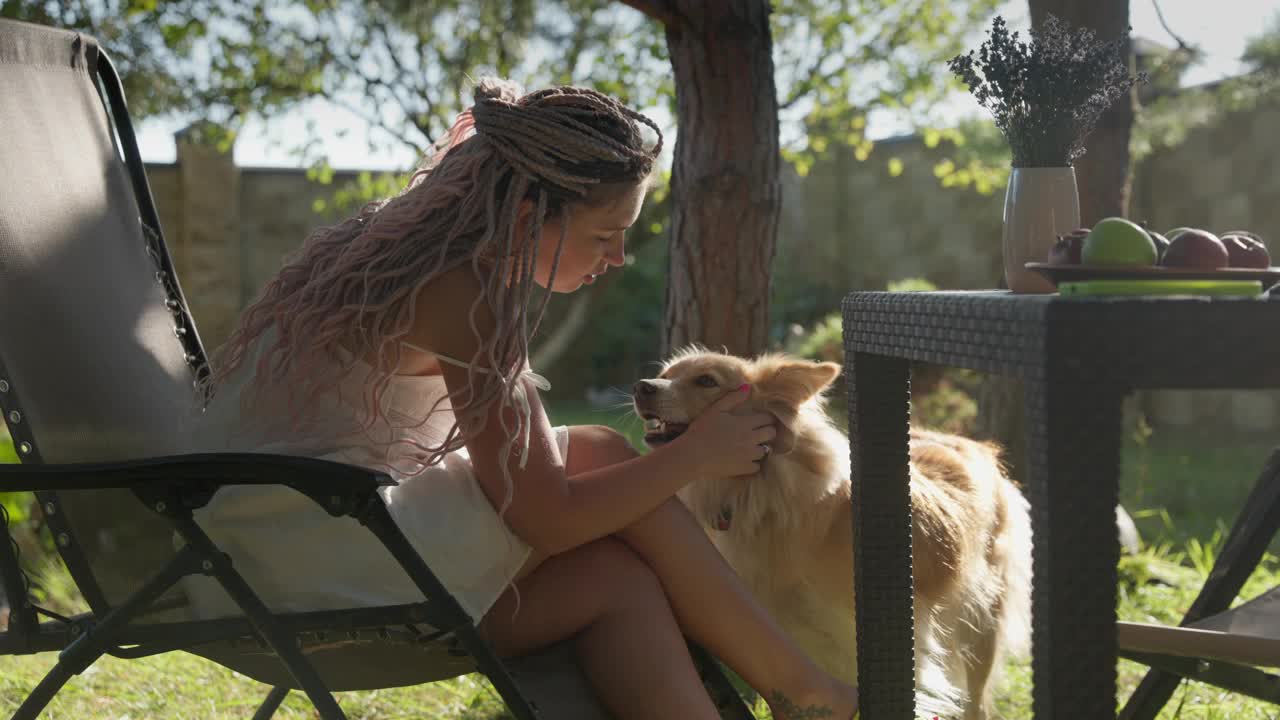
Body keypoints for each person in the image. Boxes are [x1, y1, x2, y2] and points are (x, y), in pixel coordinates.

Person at [186, 77, 859, 720]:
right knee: (597, 465)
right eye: (605, 234)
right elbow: (549, 519)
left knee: (610, 577)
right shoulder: (464, 289)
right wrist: (696, 457)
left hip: (249, 558)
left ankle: (804, 693)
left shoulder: (413, 252)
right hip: (307, 563)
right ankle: (808, 693)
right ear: (532, 215)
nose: (619, 256)